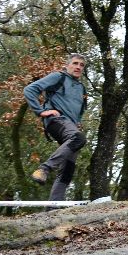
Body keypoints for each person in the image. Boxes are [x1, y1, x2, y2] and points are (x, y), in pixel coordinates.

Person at [23, 53, 88, 201]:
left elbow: (78, 109)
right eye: (75, 63)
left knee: (68, 169)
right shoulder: (58, 77)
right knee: (78, 138)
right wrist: (41, 111)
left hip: (69, 126)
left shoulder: (81, 88)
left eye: (81, 65)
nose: (78, 67)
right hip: (56, 120)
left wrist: (77, 123)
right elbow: (29, 90)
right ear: (67, 65)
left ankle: (53, 207)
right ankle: (44, 169)